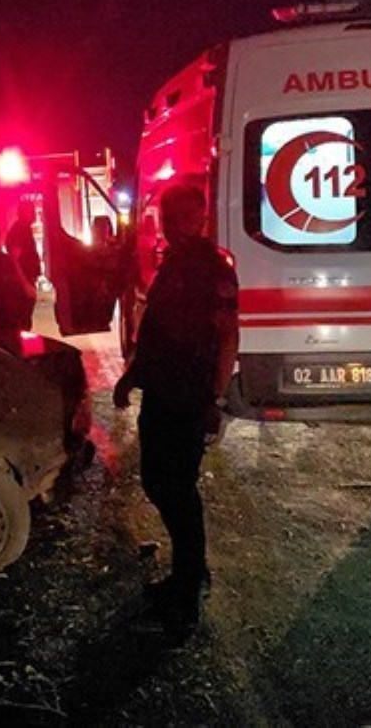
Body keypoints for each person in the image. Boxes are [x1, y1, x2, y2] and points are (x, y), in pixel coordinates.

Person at [112, 184, 238, 631]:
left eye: (180, 216)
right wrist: (132, 374)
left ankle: (189, 587)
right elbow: (157, 330)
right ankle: (188, 571)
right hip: (162, 393)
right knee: (156, 481)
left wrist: (216, 399)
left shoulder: (210, 268)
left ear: (200, 217)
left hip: (189, 396)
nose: (170, 224)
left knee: (178, 490)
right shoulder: (172, 264)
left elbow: (227, 336)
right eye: (166, 217)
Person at [5, 200, 44, 288]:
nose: (35, 215)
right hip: (24, 281)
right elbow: (15, 259)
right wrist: (25, 284)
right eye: (32, 211)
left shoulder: (24, 229)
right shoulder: (20, 230)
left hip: (26, 279)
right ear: (25, 213)